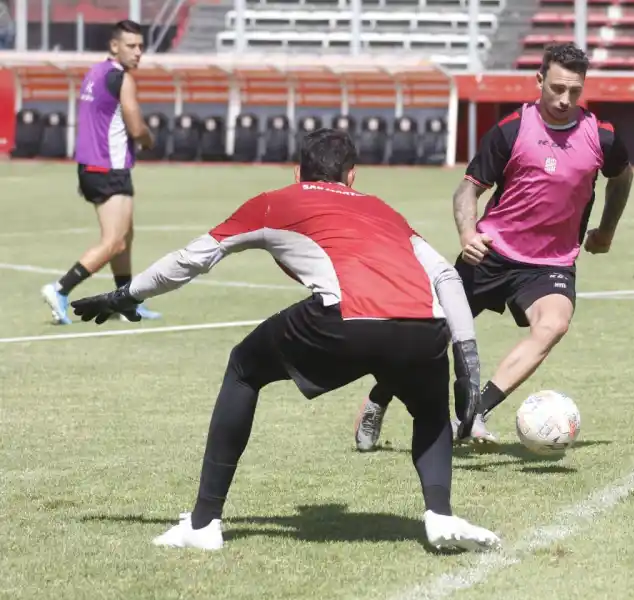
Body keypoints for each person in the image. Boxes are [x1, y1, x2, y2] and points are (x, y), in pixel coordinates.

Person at [70, 129, 501, 553]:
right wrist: (467, 366)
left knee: (243, 368)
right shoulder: (384, 210)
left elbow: (190, 260)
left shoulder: (276, 202)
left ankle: (202, 524)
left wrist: (126, 294)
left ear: (298, 172)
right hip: (424, 325)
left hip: (346, 319)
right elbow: (445, 275)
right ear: (352, 176)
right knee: (429, 410)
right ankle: (441, 515)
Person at [353, 42, 633, 451]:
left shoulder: (601, 136)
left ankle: (472, 414)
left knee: (553, 325)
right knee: (429, 338)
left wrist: (606, 229)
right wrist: (467, 235)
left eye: (574, 90)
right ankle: (379, 398)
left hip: (549, 263)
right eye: (556, 88)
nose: (564, 99)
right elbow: (468, 190)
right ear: (539, 80)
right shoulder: (511, 129)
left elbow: (622, 178)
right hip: (491, 252)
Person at [41, 20, 161, 325]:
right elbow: (136, 128)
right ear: (114, 46)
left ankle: (125, 303)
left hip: (92, 166)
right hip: (109, 167)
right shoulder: (122, 79)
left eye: (140, 46)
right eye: (131, 46)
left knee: (126, 237)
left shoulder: (95, 73)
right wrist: (149, 139)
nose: (138, 53)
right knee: (114, 242)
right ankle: (60, 289)